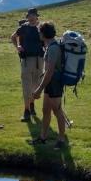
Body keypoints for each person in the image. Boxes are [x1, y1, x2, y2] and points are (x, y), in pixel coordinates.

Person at [32, 21, 68, 149]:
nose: (38, 34)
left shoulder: (53, 48)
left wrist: (39, 89)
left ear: (43, 33)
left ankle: (61, 140)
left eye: (39, 32)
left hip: (54, 83)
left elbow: (50, 71)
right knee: (46, 110)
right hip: (50, 82)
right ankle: (43, 137)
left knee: (57, 111)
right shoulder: (50, 46)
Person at [11, 8, 44, 122]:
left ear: (36, 16)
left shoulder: (41, 28)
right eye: (29, 15)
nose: (31, 17)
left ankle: (32, 106)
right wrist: (18, 47)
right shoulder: (23, 28)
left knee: (36, 85)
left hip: (40, 60)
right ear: (27, 17)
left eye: (33, 15)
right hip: (26, 60)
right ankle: (26, 111)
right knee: (26, 86)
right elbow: (13, 37)